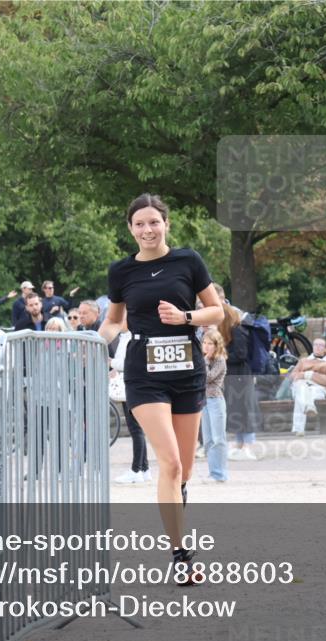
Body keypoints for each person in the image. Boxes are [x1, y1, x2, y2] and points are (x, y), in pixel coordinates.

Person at [97, 193, 224, 581]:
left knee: (183, 470)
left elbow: (216, 310)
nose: (147, 229)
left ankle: (179, 542)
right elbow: (114, 320)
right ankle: (180, 555)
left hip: (187, 371)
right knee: (167, 462)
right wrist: (91, 342)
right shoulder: (121, 271)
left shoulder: (188, 260)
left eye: (154, 222)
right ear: (130, 229)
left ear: (166, 224)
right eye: (140, 224)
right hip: (144, 373)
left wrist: (185, 316)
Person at [111, 313, 150, 484]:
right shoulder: (125, 337)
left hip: (133, 385)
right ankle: (144, 467)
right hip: (130, 384)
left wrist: (110, 362)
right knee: (137, 428)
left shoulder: (131, 338)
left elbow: (125, 363)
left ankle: (136, 469)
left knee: (135, 429)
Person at [220, 303, 260, 461]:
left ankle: (248, 445)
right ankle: (239, 442)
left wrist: (222, 356)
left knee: (245, 409)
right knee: (236, 408)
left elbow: (241, 354)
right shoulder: (231, 331)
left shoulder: (237, 330)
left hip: (241, 376)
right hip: (234, 376)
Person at [289, 337, 326, 436]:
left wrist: (311, 375)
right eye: (315, 345)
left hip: (318, 388)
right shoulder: (303, 361)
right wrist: (305, 376)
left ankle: (299, 429)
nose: (318, 347)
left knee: (302, 395)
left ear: (325, 349)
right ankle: (310, 406)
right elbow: (293, 375)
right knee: (301, 388)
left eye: (321, 345)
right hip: (301, 385)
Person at [201, 329, 229, 482]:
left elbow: (208, 377)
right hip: (203, 401)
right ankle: (213, 472)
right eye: (204, 343)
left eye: (210, 344)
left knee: (218, 438)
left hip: (215, 401)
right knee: (208, 440)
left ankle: (219, 474)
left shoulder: (220, 360)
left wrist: (204, 361)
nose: (206, 346)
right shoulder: (203, 359)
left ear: (216, 345)